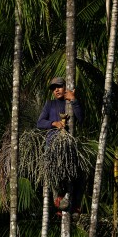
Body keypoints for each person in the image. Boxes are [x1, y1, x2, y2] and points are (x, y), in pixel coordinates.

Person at [37, 77, 84, 213]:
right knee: (54, 172)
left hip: (70, 145)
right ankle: (58, 201)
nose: (56, 90)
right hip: (53, 144)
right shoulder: (50, 104)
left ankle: (75, 205)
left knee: (79, 174)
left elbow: (81, 119)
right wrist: (54, 123)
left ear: (66, 87)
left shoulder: (71, 102)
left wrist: (73, 100)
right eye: (53, 88)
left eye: (59, 86)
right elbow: (40, 123)